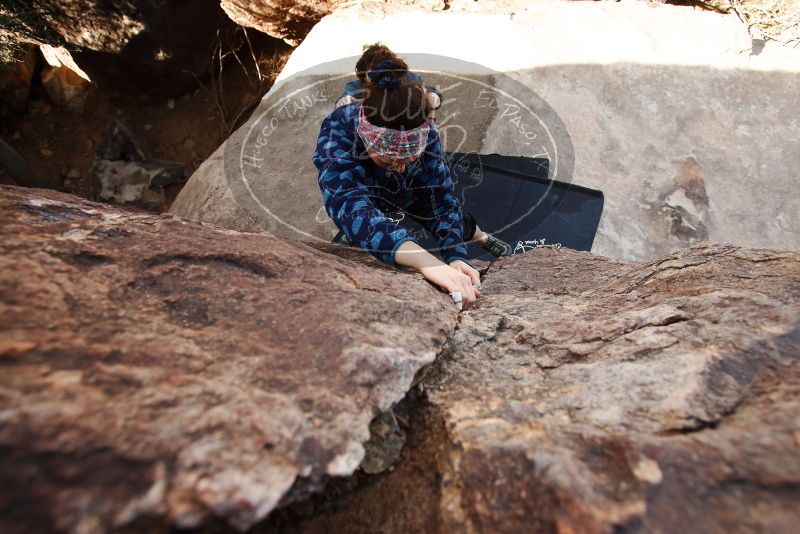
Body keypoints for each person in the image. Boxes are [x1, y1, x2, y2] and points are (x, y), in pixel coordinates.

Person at [313, 57, 483, 308]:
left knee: (459, 220)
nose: (401, 167)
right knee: (360, 230)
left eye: (410, 159)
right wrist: (427, 262)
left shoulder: (427, 132)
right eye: (388, 160)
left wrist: (456, 256)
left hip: (410, 195)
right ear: (366, 141)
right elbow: (349, 204)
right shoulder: (339, 128)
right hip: (371, 196)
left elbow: (440, 199)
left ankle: (480, 238)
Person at [334, 43, 444, 113]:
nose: (381, 79)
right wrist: (343, 102)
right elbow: (346, 98)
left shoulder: (408, 78)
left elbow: (430, 92)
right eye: (374, 73)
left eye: (384, 71)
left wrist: (432, 96)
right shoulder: (356, 87)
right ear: (365, 74)